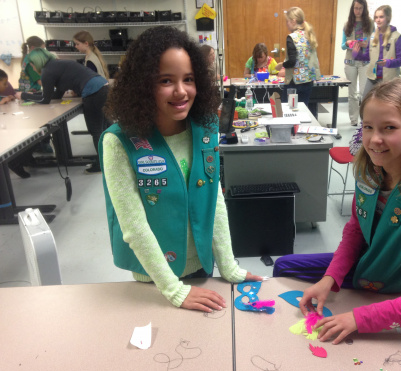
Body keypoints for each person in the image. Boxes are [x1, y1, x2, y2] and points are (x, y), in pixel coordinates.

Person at [273, 78, 401, 344]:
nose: (374, 139)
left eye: (389, 128)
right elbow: (356, 229)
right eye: (368, 127)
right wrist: (330, 277)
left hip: (391, 278)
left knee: (289, 273)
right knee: (283, 266)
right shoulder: (371, 167)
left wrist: (359, 318)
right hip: (368, 259)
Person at [100, 26, 262, 312]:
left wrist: (228, 266)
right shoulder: (119, 143)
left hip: (201, 269)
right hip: (155, 280)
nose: (181, 91)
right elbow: (134, 227)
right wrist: (173, 290)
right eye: (165, 80)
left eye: (188, 79)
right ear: (142, 84)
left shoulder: (204, 129)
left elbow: (215, 200)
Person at [15, 48, 110, 174]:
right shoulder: (59, 64)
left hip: (93, 91)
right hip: (103, 86)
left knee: (96, 130)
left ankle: (101, 165)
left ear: (36, 62)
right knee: (105, 127)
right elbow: (57, 95)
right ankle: (108, 161)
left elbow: (45, 99)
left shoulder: (47, 72)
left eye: (32, 64)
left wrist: (23, 96)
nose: (32, 68)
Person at [353, 5, 401, 98]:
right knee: (366, 102)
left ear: (388, 18)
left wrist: (388, 62)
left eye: (381, 17)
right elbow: (368, 57)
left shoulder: (397, 37)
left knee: (385, 106)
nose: (378, 20)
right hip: (372, 77)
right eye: (376, 17)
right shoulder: (373, 36)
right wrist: (357, 55)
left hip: (388, 79)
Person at [275, 7, 320, 111]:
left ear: (293, 21)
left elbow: (291, 62)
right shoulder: (309, 35)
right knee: (303, 110)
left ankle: (290, 128)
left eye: (287, 21)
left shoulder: (292, 37)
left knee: (288, 111)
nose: (286, 24)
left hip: (294, 83)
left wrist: (281, 64)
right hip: (308, 80)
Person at [342, 0, 373, 127]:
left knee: (364, 93)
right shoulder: (347, 24)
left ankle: (364, 120)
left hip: (365, 61)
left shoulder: (370, 23)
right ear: (352, 9)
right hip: (351, 62)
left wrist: (368, 44)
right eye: (355, 8)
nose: (358, 11)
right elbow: (342, 46)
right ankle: (354, 120)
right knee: (352, 93)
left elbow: (375, 42)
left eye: (360, 8)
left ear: (364, 9)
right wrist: (348, 43)